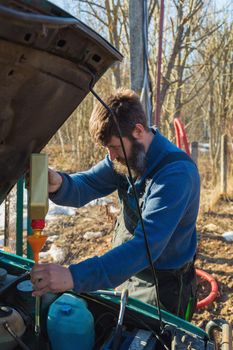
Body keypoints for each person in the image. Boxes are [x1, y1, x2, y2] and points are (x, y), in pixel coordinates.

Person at [30, 88, 200, 320]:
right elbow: (89, 183)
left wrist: (74, 277)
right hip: (124, 270)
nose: (111, 156)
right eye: (108, 149)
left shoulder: (176, 174)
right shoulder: (126, 155)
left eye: (115, 147)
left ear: (138, 130)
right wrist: (59, 184)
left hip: (162, 284)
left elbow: (144, 248)